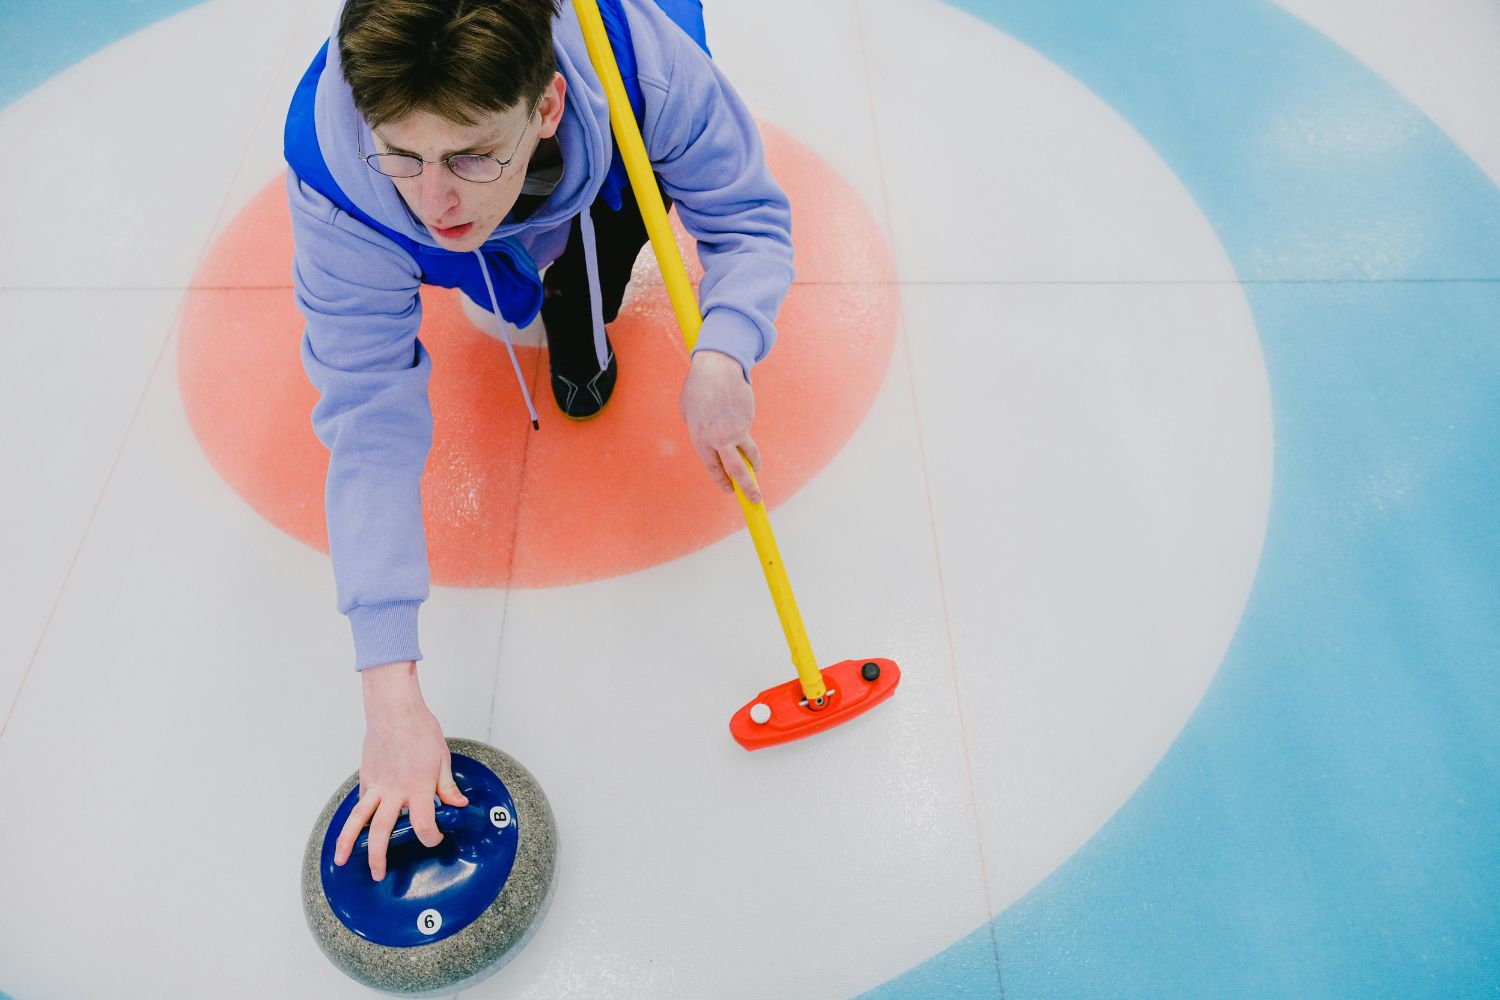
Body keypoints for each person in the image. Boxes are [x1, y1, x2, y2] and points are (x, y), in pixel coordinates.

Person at [284, 0, 793, 882]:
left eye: (470, 155)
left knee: (598, 232)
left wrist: (724, 350)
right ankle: (526, 240)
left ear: (549, 104)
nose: (435, 200)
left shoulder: (649, 67)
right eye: (403, 154)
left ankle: (574, 273)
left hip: (608, 152)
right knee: (476, 246)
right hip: (473, 178)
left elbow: (745, 217)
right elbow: (368, 418)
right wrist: (389, 693)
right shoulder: (337, 184)